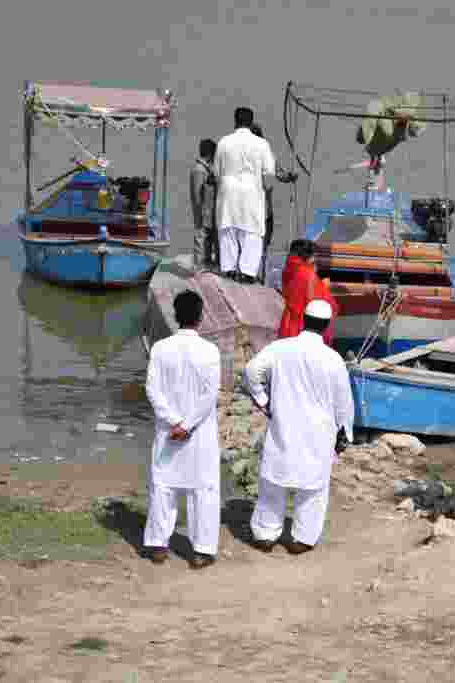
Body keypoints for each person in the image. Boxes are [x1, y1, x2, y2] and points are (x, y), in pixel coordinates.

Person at [244, 299, 354, 554]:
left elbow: (251, 372)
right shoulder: (333, 359)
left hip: (284, 425)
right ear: (327, 327)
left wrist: (263, 401)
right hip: (318, 433)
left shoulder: (280, 348)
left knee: (273, 482)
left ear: (303, 320)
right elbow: (343, 403)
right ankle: (302, 539)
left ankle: (265, 535)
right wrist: (344, 432)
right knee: (312, 489)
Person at [143, 290, 222, 569]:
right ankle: (201, 550)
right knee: (202, 490)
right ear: (200, 317)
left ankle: (158, 544)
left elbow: (152, 390)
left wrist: (173, 422)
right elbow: (209, 395)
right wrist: (187, 425)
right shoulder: (210, 351)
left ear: (175, 316)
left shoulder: (160, 348)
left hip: (168, 431)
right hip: (198, 433)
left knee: (163, 486)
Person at [214, 107, 276, 284]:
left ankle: (229, 269)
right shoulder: (261, 144)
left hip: (228, 188)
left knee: (228, 228)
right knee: (252, 230)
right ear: (251, 122)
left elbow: (217, 171)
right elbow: (269, 171)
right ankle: (248, 272)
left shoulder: (224, 142)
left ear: (235, 120)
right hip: (251, 189)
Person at [249, 123, 298, 283]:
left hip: (265, 210)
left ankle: (259, 276)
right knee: (251, 244)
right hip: (250, 210)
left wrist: (289, 176)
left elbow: (279, 174)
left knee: (263, 245)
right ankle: (250, 274)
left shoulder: (268, 155)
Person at [278, 239, 338, 345]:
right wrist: (323, 288)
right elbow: (316, 302)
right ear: (308, 256)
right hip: (303, 327)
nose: (316, 259)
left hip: (288, 323)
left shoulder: (289, 268)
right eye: (315, 256)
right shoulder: (307, 274)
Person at [189, 138, 218, 271]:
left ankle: (206, 263)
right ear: (210, 154)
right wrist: (200, 210)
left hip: (208, 209)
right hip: (202, 209)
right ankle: (198, 265)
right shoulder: (199, 170)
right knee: (201, 236)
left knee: (207, 237)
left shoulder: (205, 168)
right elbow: (197, 193)